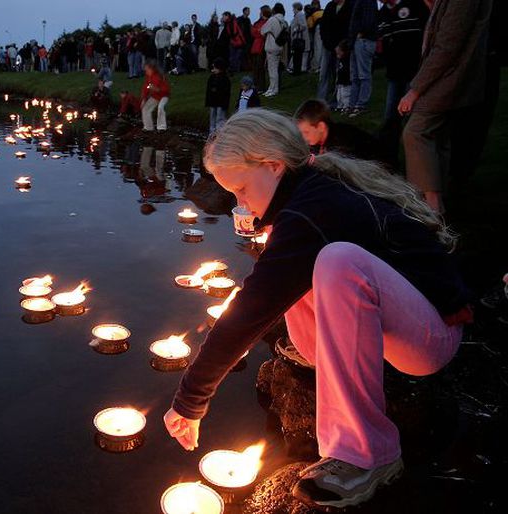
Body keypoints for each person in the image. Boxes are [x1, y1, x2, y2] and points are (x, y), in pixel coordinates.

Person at [164, 109, 470, 508]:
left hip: (430, 337)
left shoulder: (315, 208)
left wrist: (191, 397)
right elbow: (268, 291)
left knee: (337, 261)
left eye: (240, 189)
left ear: (273, 166)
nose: (239, 203)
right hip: (395, 327)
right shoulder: (305, 193)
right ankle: (323, 359)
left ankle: (368, 456)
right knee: (295, 263)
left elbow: (251, 309)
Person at [399, 0, 492, 214]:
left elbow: (448, 44)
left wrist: (415, 90)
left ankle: (431, 207)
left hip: (450, 78)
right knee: (438, 136)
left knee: (416, 132)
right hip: (453, 76)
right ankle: (440, 198)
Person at [376, 0, 429, 164]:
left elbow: (428, 33)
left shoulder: (414, 5)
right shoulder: (383, 13)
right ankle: (389, 160)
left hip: (414, 73)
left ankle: (417, 162)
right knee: (391, 117)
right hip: (394, 74)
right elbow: (383, 41)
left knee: (413, 120)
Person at [294, 99, 385, 162]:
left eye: (306, 132)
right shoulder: (319, 141)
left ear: (321, 127)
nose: (303, 138)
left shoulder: (341, 145)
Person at [317, 0, 352, 108]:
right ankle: (321, 100)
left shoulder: (349, 6)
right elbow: (323, 27)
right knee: (324, 73)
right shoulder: (330, 6)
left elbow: (348, 27)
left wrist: (342, 46)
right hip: (328, 45)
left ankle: (337, 100)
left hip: (342, 46)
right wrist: (330, 44)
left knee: (339, 73)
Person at [348, 0, 379, 117]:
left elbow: (368, 19)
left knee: (363, 75)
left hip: (363, 40)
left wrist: (361, 33)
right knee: (356, 76)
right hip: (358, 40)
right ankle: (353, 104)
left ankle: (360, 104)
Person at [261, 3, 288, 98]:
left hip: (271, 46)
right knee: (275, 69)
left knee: (272, 70)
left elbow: (262, 31)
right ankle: (272, 88)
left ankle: (273, 89)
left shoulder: (272, 19)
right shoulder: (283, 21)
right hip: (279, 46)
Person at [140, 62, 170, 132]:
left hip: (164, 96)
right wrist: (144, 99)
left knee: (160, 107)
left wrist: (158, 89)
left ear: (151, 69)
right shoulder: (148, 77)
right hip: (155, 96)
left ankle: (162, 127)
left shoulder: (159, 76)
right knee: (145, 108)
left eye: (147, 69)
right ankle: (148, 127)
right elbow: (146, 87)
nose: (145, 71)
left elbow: (166, 89)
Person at [206, 58, 232, 136]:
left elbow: (226, 93)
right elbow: (208, 91)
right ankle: (212, 134)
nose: (213, 70)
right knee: (212, 118)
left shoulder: (225, 79)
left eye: (215, 68)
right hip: (213, 102)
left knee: (220, 118)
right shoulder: (211, 78)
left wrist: (225, 104)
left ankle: (220, 134)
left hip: (221, 102)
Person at [251, 5, 271, 93]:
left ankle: (261, 87)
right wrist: (258, 31)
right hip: (255, 46)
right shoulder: (257, 22)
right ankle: (255, 85)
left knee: (260, 67)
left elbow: (263, 33)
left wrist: (258, 32)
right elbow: (254, 32)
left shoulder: (268, 22)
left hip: (262, 46)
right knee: (255, 67)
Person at [307, 0, 324, 72]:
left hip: (318, 29)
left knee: (318, 48)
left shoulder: (312, 13)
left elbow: (310, 26)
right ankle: (322, 66)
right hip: (327, 29)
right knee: (323, 49)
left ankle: (316, 67)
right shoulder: (323, 11)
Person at [335, 40, 352, 112]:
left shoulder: (347, 60)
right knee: (339, 95)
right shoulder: (340, 60)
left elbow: (346, 71)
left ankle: (346, 106)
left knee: (345, 94)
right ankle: (340, 105)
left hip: (346, 81)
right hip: (340, 81)